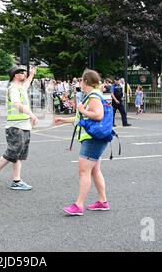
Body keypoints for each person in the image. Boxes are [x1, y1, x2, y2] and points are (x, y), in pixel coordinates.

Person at [54, 69, 110, 216]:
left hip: (92, 139)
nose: (79, 83)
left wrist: (81, 110)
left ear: (86, 81)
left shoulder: (93, 96)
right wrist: (64, 120)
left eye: (81, 80)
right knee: (95, 171)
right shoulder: (94, 95)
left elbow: (98, 115)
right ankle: (102, 201)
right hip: (95, 138)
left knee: (84, 171)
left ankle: (79, 205)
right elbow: (82, 118)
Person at [0, 66, 38, 191]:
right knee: (13, 151)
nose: (24, 74)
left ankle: (17, 181)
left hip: (24, 125)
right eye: (22, 72)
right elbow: (17, 104)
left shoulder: (21, 87)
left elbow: (27, 83)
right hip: (15, 125)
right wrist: (31, 114)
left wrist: (32, 74)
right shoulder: (13, 88)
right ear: (15, 75)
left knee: (19, 155)